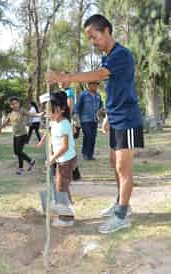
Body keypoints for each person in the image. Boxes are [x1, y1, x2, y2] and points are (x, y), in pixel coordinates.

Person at [46, 14, 144, 234]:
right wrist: (108, 115)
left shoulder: (120, 55)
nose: (93, 42)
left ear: (107, 30)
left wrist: (66, 76)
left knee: (123, 168)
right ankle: (120, 203)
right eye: (89, 39)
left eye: (94, 36)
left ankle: (122, 215)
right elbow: (111, 88)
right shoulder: (108, 57)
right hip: (117, 117)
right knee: (114, 164)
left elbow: (99, 75)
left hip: (127, 119)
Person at [36, 92, 77, 227]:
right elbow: (49, 131)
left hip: (66, 160)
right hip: (61, 160)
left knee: (60, 188)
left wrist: (52, 159)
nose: (50, 114)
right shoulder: (55, 121)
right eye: (48, 111)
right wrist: (42, 142)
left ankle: (66, 218)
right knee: (62, 185)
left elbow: (64, 147)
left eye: (52, 111)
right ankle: (68, 207)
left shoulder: (64, 124)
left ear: (62, 109)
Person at [0, 97, 42, 175]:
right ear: (11, 105)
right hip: (15, 135)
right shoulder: (10, 114)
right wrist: (0, 128)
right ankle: (25, 165)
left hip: (22, 134)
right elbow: (5, 123)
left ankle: (27, 163)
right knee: (17, 152)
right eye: (12, 104)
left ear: (19, 103)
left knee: (18, 151)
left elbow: (31, 114)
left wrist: (39, 114)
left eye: (16, 103)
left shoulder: (22, 110)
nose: (14, 105)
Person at [59, 75, 82, 181]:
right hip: (63, 121)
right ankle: (72, 171)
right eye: (59, 80)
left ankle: (75, 172)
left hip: (66, 122)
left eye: (63, 80)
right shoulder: (63, 92)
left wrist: (68, 122)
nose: (61, 82)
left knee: (68, 147)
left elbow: (69, 109)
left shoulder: (69, 93)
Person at [75, 82, 103, 160]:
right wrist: (77, 120)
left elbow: (101, 106)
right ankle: (85, 153)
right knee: (88, 135)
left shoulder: (98, 95)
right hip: (85, 120)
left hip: (94, 120)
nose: (95, 86)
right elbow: (77, 108)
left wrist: (99, 111)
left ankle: (90, 155)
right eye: (93, 84)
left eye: (97, 84)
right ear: (88, 85)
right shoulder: (83, 95)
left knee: (93, 137)